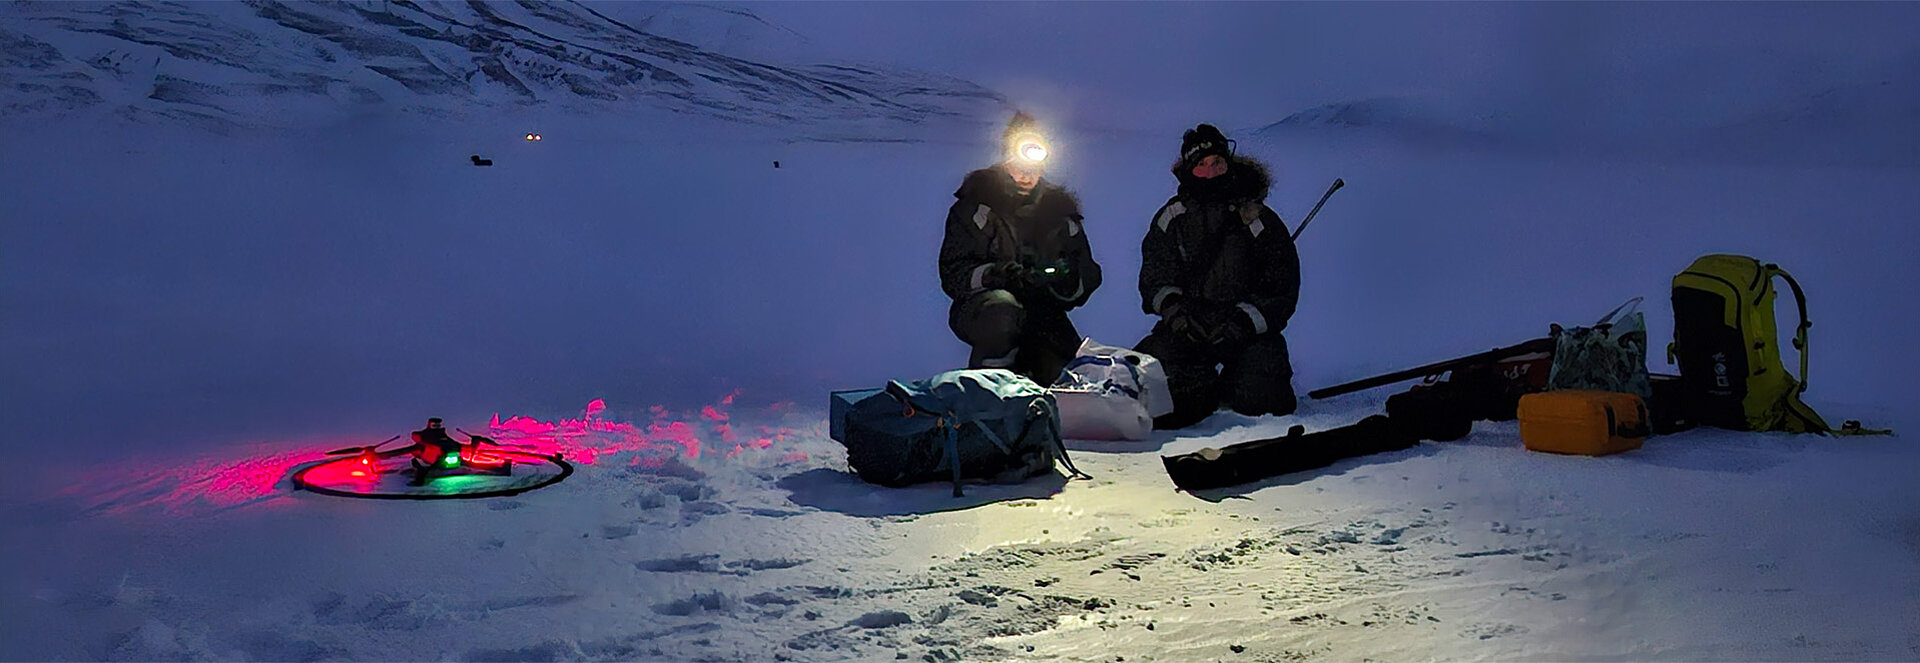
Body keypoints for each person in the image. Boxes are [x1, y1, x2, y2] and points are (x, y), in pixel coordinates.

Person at [1135, 123, 1300, 429]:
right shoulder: (1171, 218)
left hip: (1245, 331)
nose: (1211, 172)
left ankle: (1232, 383)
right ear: (1189, 169)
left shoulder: (1258, 219)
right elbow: (1155, 278)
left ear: (1228, 163)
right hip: (1187, 328)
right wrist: (1177, 315)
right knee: (1153, 391)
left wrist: (1243, 321)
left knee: (1264, 398)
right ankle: (1203, 384)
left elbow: (1282, 286)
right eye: (1201, 165)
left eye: (1217, 163)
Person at [938, 112, 1102, 385]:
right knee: (1002, 314)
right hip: (985, 309)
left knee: (1065, 374)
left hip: (1043, 310)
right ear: (1006, 160)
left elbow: (1088, 272)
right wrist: (997, 275)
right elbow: (954, 272)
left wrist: (1064, 278)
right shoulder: (978, 205)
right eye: (1019, 164)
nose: (1026, 175)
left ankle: (1047, 407)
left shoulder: (1060, 212)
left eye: (1034, 166)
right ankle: (990, 394)